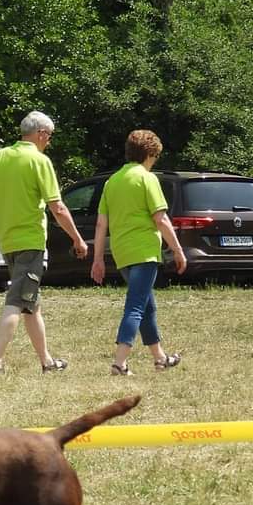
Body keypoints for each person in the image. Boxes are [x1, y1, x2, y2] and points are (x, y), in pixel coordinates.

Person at [0, 111, 88, 375]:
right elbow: (58, 207)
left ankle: (47, 362)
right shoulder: (39, 161)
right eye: (49, 137)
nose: (49, 142)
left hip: (7, 241)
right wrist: (77, 238)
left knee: (31, 304)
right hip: (30, 241)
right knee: (17, 300)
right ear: (40, 134)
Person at [90, 128, 186, 375]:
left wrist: (98, 259)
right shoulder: (147, 178)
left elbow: (101, 223)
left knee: (146, 306)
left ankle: (160, 358)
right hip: (144, 252)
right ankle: (119, 364)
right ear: (150, 154)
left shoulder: (113, 182)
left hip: (122, 253)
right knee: (135, 306)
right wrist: (178, 250)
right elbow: (161, 219)